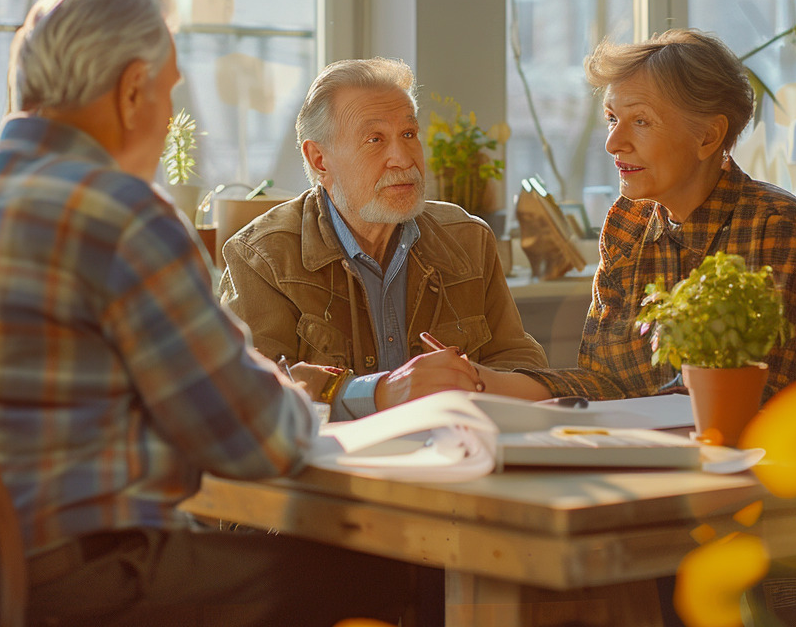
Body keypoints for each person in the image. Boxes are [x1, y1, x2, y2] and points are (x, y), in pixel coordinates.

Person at [0, 0, 408, 627]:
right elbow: (255, 443)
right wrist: (309, 400)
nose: (169, 110)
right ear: (130, 91)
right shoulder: (119, 213)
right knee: (389, 581)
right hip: (74, 597)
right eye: (171, 90)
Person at [219, 57, 553, 421]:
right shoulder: (261, 257)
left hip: (454, 458)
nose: (403, 159)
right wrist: (377, 393)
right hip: (331, 470)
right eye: (375, 139)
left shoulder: (469, 239)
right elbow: (246, 399)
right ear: (319, 160)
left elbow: (522, 363)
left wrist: (472, 381)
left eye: (408, 135)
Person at [538, 28, 796, 402]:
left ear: (708, 137)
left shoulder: (774, 226)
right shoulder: (626, 223)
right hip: (648, 448)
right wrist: (487, 384)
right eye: (611, 118)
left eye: (640, 121)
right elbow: (602, 381)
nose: (612, 143)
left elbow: (752, 398)